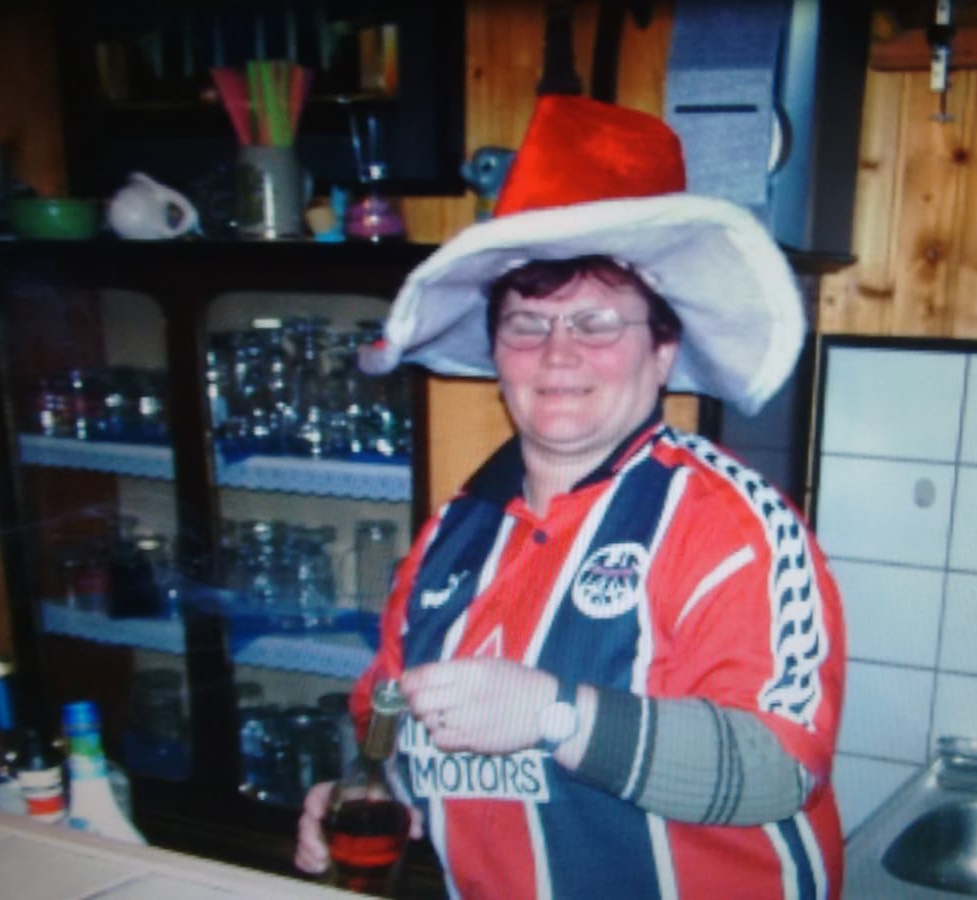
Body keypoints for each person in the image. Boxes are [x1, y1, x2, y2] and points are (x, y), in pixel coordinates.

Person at [294, 94, 846, 899]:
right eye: (527, 323)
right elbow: (387, 711)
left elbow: (778, 767)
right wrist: (376, 787)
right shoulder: (451, 535)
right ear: (496, 352)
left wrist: (555, 714)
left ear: (662, 350)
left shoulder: (735, 527)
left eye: (597, 322)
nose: (558, 354)